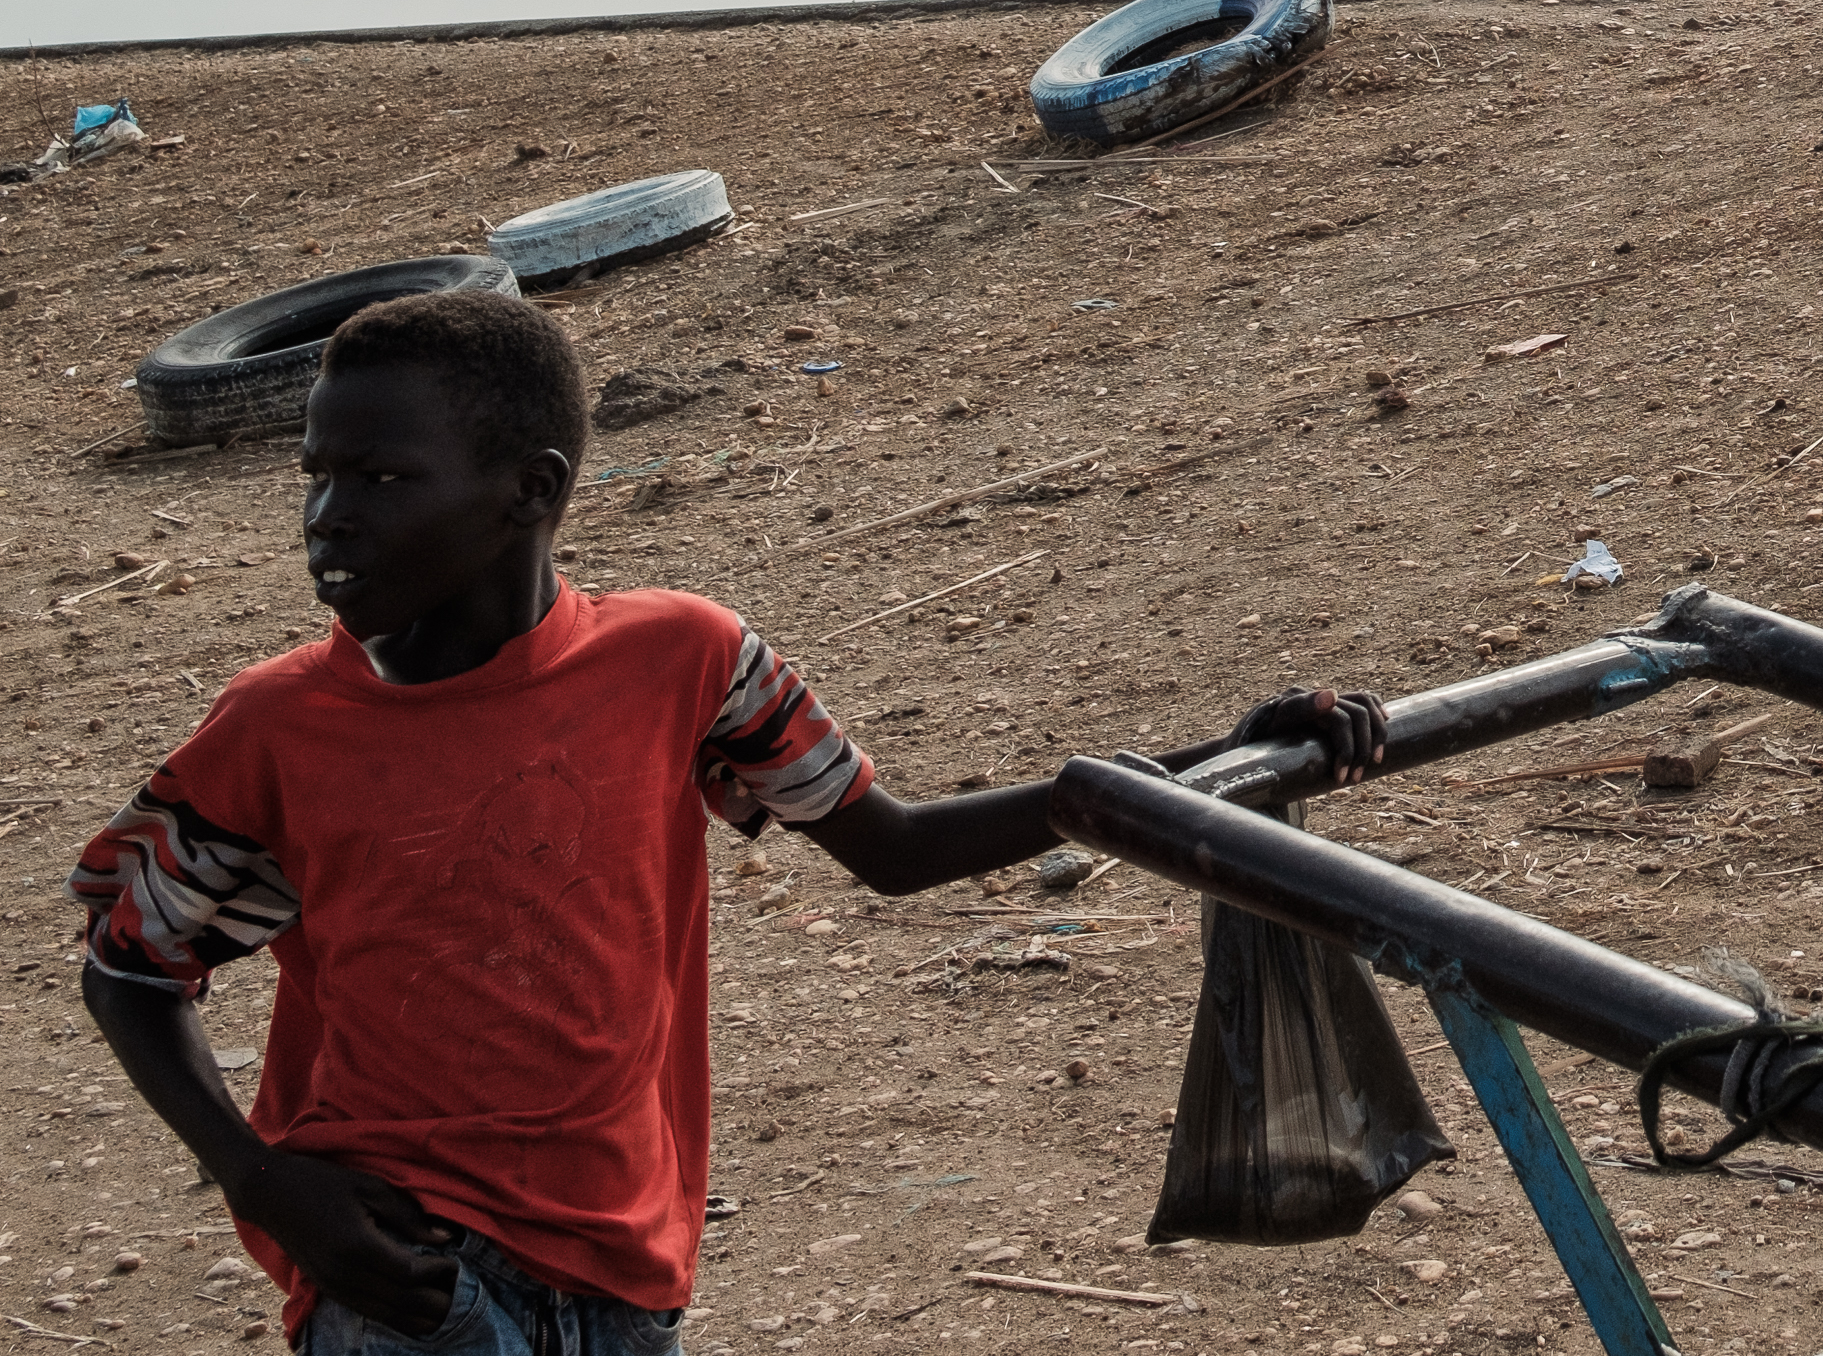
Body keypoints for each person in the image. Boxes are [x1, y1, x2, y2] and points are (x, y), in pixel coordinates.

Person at [71, 291, 1388, 1355]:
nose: (327, 518)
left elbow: (894, 845)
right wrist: (252, 1175)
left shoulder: (684, 663)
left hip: (626, 1259)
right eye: (316, 477)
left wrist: (1221, 757)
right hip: (401, 1267)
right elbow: (134, 965)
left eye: (379, 476)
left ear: (529, 492)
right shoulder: (281, 726)